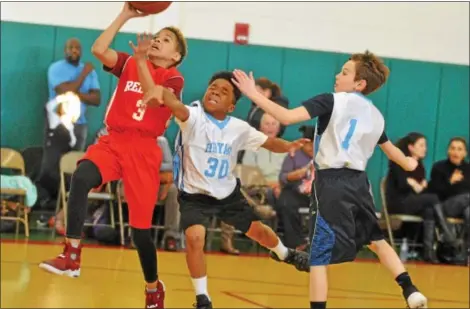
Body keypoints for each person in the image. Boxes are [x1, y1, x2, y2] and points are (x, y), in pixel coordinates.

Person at [232, 50, 428, 309]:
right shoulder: (376, 115)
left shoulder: (331, 100)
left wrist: (252, 93)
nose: (337, 74)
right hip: (359, 183)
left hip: (330, 182)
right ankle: (410, 290)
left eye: (345, 72)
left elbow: (287, 117)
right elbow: (392, 151)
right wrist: (410, 163)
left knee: (319, 257)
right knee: (376, 240)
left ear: (360, 84)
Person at [39, 3, 187, 308]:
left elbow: (154, 98)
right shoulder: (130, 62)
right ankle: (72, 254)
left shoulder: (173, 78)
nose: (158, 39)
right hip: (114, 140)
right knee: (81, 177)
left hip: (144, 150)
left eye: (166, 39)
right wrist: (125, 15)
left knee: (140, 234)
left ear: (176, 56)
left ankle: (153, 287)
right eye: (157, 35)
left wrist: (144, 61)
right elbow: (98, 48)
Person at [141, 71, 311, 309]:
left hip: (227, 195)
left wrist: (290, 146)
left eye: (223, 92)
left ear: (231, 106)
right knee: (194, 237)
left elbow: (269, 142)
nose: (215, 92)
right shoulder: (193, 116)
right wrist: (162, 93)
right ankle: (202, 298)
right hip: (194, 195)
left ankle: (284, 253)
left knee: (260, 233)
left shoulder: (238, 128)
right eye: (213, 87)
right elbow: (176, 106)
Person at [386, 132, 456, 263]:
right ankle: (448, 234)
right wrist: (410, 182)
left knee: (429, 210)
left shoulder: (420, 167)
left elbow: (421, 193)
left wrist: (423, 186)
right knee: (433, 198)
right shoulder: (398, 162)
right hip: (399, 202)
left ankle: (428, 253)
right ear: (411, 147)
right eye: (421, 145)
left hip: (413, 202)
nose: (425, 149)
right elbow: (401, 185)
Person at [47, 37, 101, 151]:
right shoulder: (56, 68)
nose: (74, 50)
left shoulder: (90, 71)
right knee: (53, 164)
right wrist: (83, 74)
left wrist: (74, 93)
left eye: (77, 48)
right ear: (65, 50)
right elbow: (64, 91)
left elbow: (96, 99)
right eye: (71, 48)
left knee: (74, 164)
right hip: (58, 123)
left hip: (80, 126)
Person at [429, 137, 470, 264]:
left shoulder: (468, 169)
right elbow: (434, 192)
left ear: (465, 153)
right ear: (448, 151)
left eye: (459, 149)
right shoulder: (439, 167)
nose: (455, 152)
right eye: (452, 148)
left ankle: (462, 251)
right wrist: (450, 182)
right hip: (445, 206)